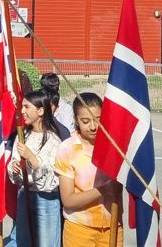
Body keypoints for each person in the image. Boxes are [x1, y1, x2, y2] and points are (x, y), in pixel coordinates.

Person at [56, 92, 122, 247]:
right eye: (85, 121)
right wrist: (103, 190)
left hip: (112, 226)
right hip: (79, 229)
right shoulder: (67, 149)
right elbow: (68, 200)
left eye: (98, 120)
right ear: (76, 120)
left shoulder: (115, 146)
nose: (93, 127)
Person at [5, 90, 63, 247]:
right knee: (23, 241)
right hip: (24, 195)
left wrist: (31, 158)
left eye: (26, 107)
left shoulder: (54, 140)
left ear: (41, 110)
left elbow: (53, 179)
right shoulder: (22, 135)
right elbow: (14, 161)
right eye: (22, 107)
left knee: (47, 242)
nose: (22, 111)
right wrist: (14, 167)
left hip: (46, 199)